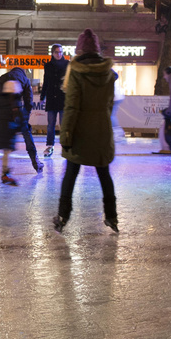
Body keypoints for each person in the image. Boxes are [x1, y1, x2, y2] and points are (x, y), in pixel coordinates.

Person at [53, 29, 118, 233]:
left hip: (79, 133)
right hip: (101, 131)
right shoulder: (109, 74)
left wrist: (65, 135)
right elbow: (109, 105)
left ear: (79, 51)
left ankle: (63, 215)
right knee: (104, 175)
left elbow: (71, 107)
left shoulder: (76, 72)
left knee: (71, 174)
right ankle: (112, 216)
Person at [0, 64, 41, 172]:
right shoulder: (25, 79)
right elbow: (29, 102)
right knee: (26, 133)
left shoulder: (3, 77)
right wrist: (24, 120)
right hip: (16, 111)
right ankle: (35, 161)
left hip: (2, 111)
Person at [0, 77, 27, 185]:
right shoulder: (14, 101)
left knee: (6, 151)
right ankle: (5, 173)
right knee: (7, 151)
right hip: (8, 130)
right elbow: (21, 117)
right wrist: (22, 127)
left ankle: (5, 172)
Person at [42, 44, 69, 157]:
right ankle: (50, 146)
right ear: (52, 53)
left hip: (63, 98)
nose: (59, 54)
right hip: (51, 98)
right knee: (51, 124)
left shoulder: (68, 64)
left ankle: (65, 146)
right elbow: (46, 81)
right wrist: (43, 96)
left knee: (63, 125)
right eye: (57, 52)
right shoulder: (48, 66)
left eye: (61, 52)